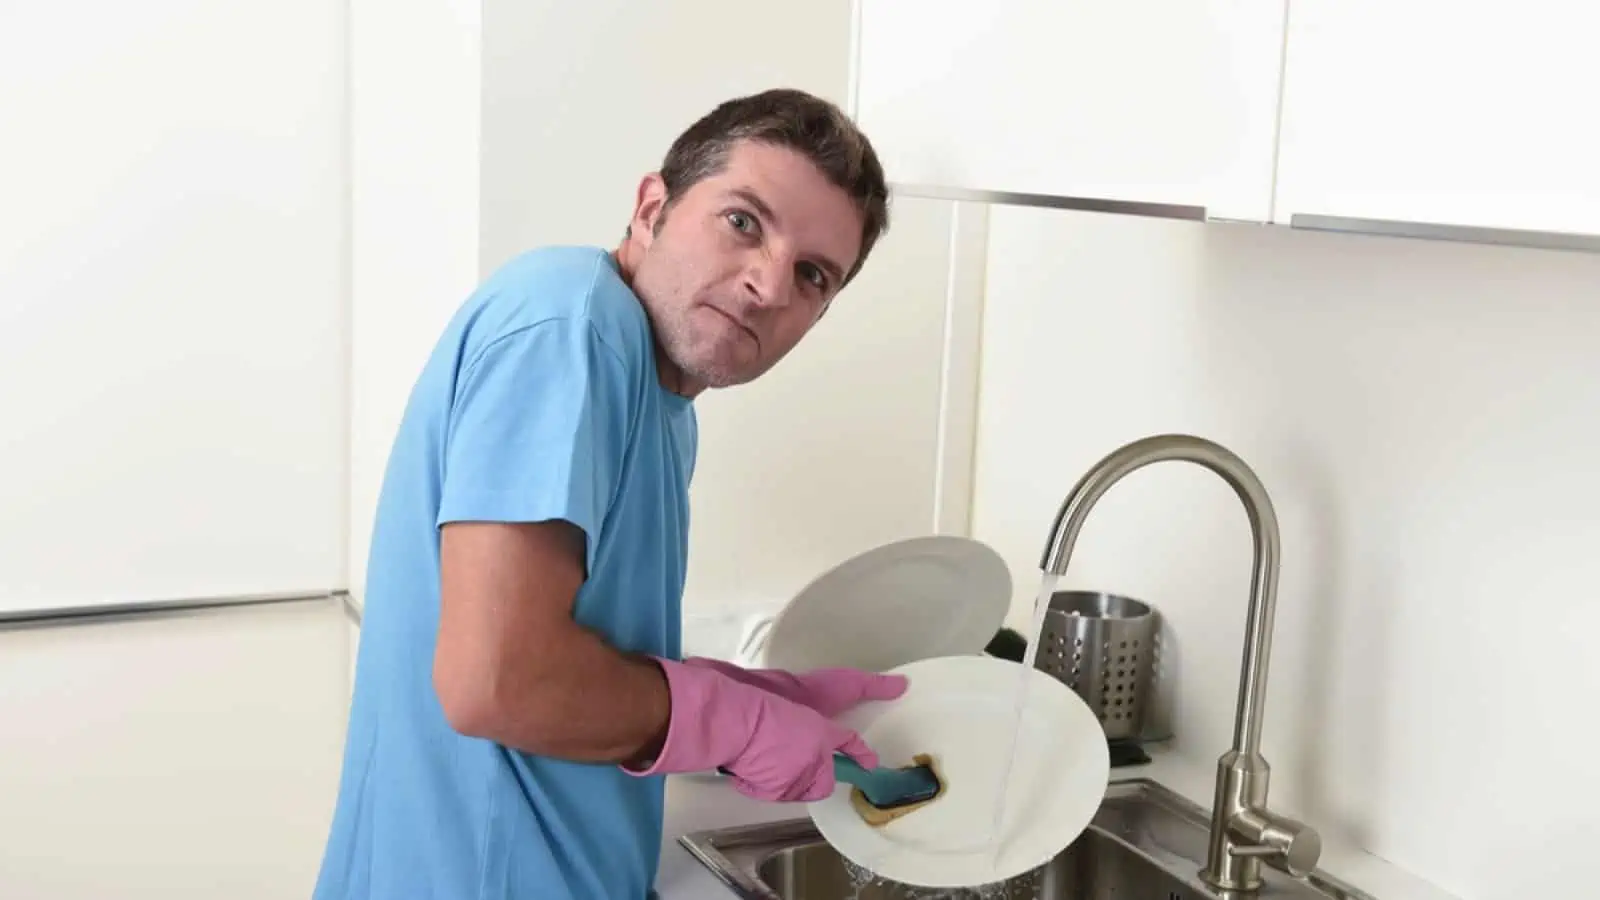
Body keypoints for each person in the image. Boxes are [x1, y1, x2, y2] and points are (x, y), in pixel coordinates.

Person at [312, 88, 906, 900]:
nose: (769, 285)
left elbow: (566, 649)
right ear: (652, 206)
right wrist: (724, 722)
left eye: (812, 276)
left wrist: (751, 697)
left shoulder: (660, 400)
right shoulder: (571, 326)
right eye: (743, 222)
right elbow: (495, 681)